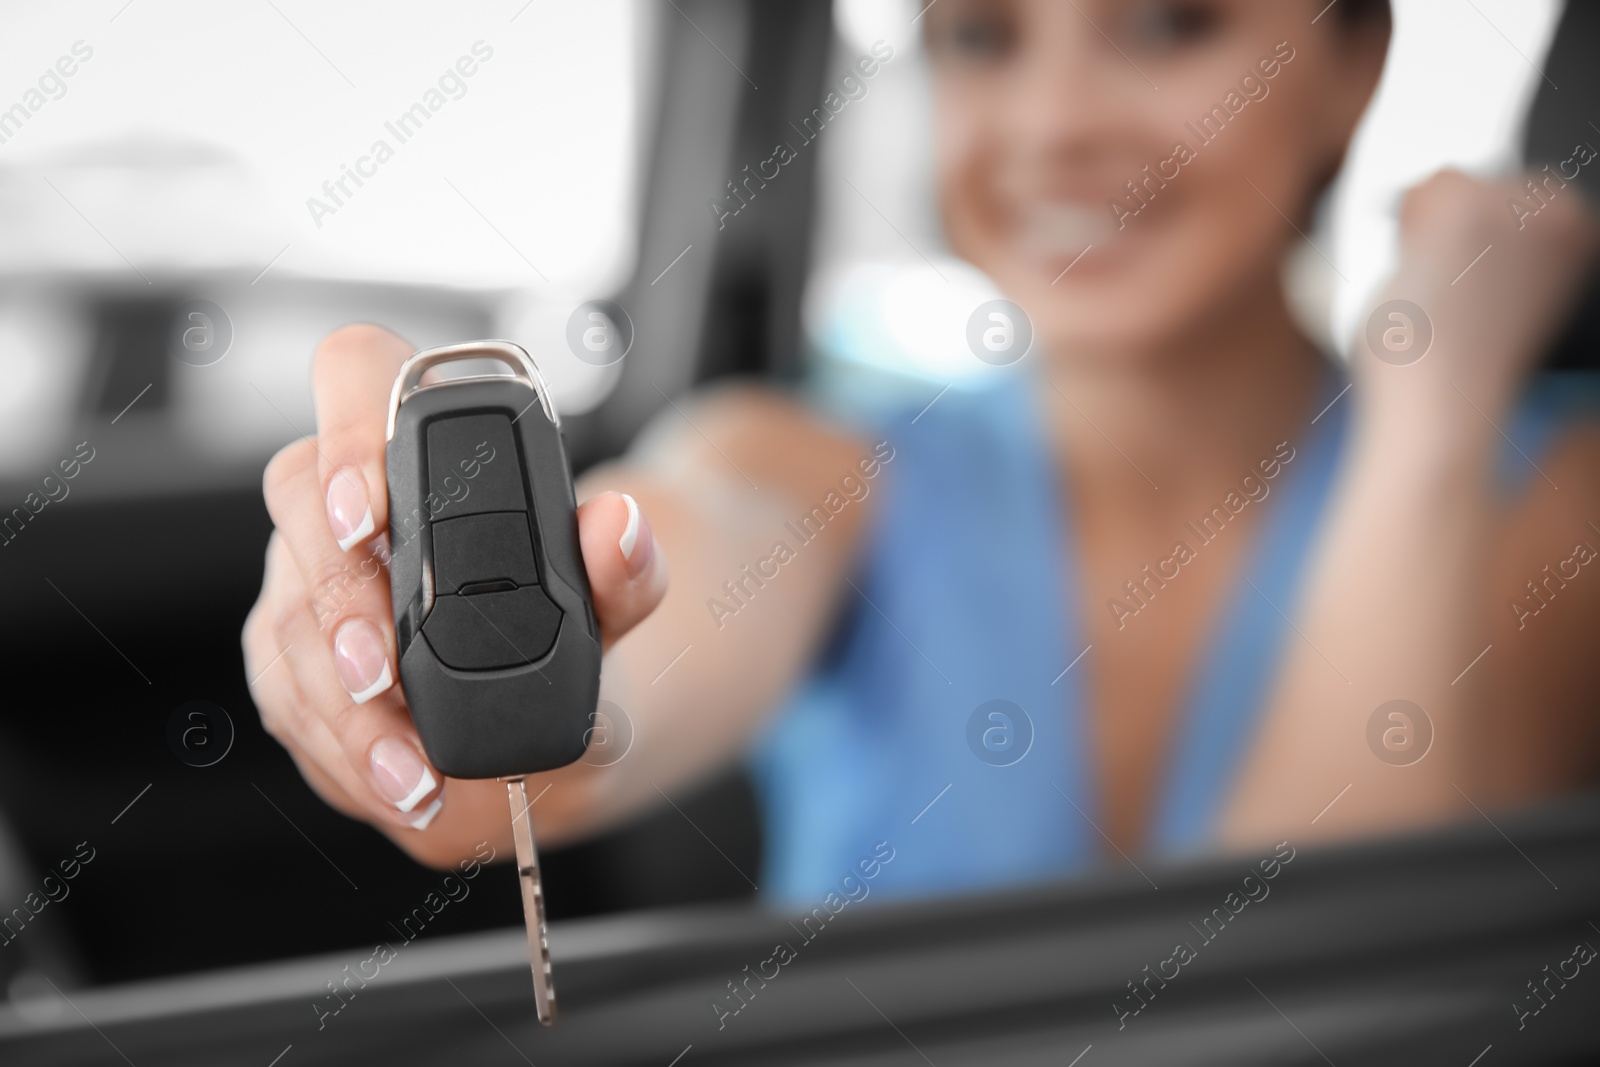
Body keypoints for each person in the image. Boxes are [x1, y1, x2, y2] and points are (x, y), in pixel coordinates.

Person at [243, 0, 1600, 904]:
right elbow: (634, 642)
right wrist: (489, 697)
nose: (1057, 123)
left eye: (1167, 21)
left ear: (1355, 63)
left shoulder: (1552, 505)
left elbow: (1306, 986)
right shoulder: (820, 463)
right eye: (983, 38)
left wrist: (1429, 414)